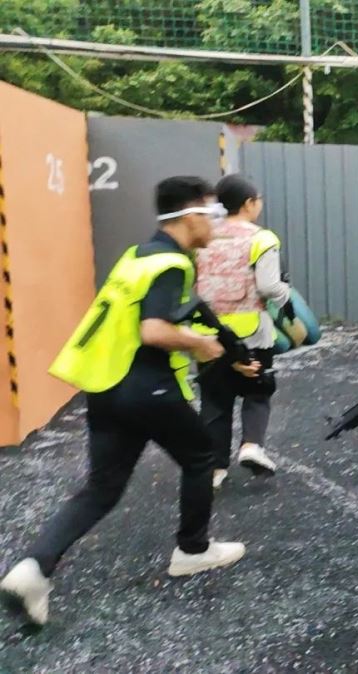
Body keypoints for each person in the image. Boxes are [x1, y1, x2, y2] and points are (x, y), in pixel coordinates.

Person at [0, 176, 248, 627]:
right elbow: (153, 331)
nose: (216, 224)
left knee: (102, 488)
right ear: (189, 216)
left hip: (107, 387)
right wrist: (201, 344)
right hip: (145, 384)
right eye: (212, 214)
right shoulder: (171, 264)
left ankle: (33, 569)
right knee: (201, 455)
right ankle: (193, 549)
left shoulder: (137, 256)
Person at [194, 174, 292, 489]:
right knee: (258, 392)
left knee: (214, 402)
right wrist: (286, 296)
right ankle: (251, 445)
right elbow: (269, 286)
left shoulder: (204, 237)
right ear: (249, 203)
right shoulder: (262, 239)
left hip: (208, 332)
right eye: (258, 199)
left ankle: (215, 469)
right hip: (252, 331)